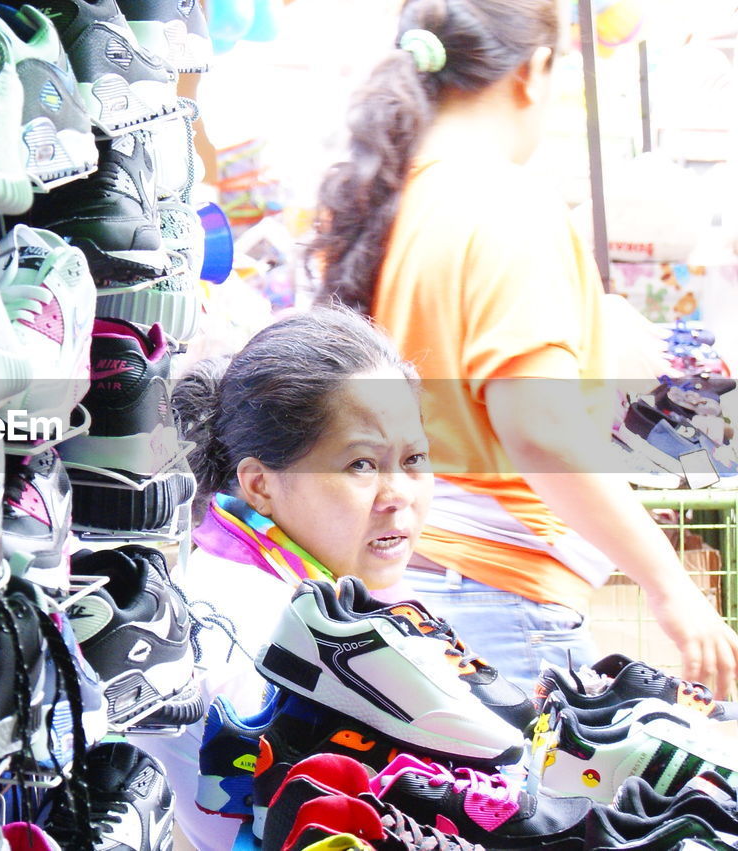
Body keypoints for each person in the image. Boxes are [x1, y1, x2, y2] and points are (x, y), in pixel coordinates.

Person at [311, 0, 738, 694]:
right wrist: (671, 585)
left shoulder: (401, 201)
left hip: (413, 584)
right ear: (535, 72)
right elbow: (539, 428)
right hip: (496, 601)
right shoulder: (504, 203)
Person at [134, 306, 434, 851]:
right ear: (260, 485)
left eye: (414, 457)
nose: (400, 495)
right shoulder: (255, 623)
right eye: (361, 465)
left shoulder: (314, 593)